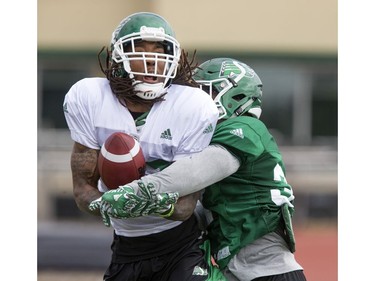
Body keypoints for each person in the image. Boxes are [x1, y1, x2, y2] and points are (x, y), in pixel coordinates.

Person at [94, 58, 307, 281]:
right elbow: (200, 208)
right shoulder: (204, 140)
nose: (195, 101)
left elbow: (194, 172)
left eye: (205, 91)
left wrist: (138, 190)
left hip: (268, 269)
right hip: (238, 269)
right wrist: (158, 207)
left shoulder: (245, 127)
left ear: (235, 96)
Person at [63, 12, 226, 281]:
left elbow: (185, 206)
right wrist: (106, 204)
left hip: (181, 245)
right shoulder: (89, 97)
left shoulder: (193, 106)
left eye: (159, 50)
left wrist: (145, 201)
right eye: (139, 49)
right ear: (119, 57)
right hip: (126, 245)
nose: (151, 58)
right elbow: (82, 190)